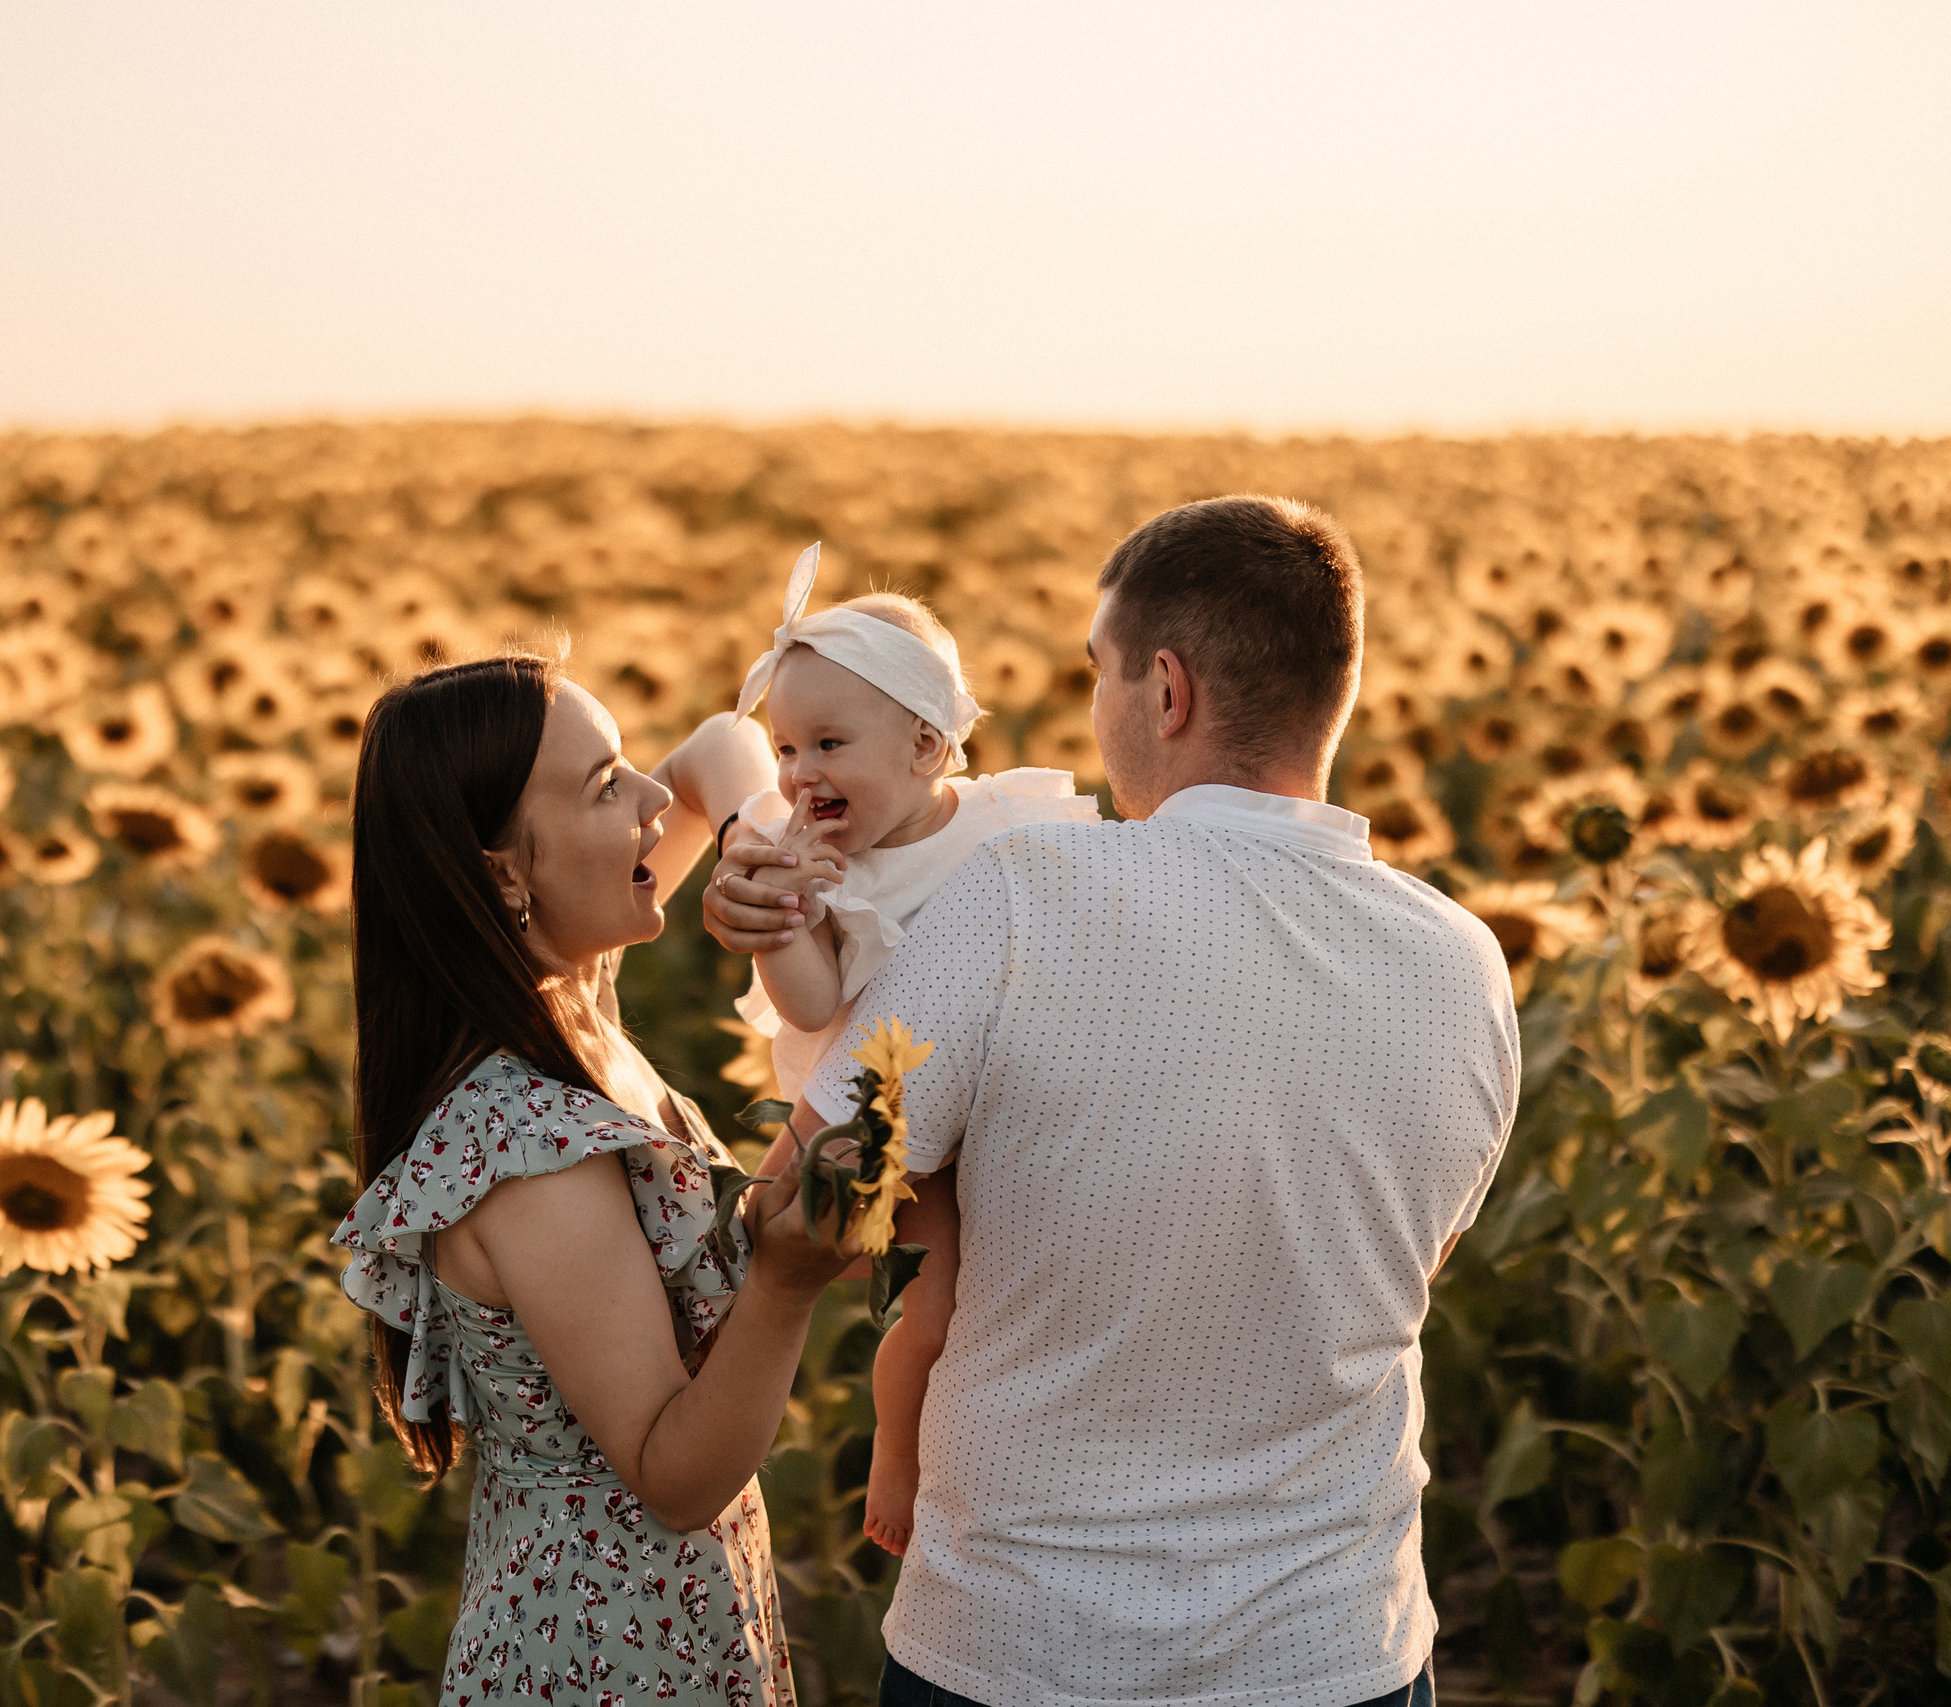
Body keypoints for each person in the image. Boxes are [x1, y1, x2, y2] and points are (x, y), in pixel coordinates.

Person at [706, 498, 1520, 1707]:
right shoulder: (1465, 963)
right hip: (1335, 1647)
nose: (1094, 711)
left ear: (1166, 690)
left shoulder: (1017, 897)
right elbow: (1409, 1259)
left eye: (1099, 673)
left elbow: (815, 1212)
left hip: (1021, 1645)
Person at [332, 654, 856, 1707]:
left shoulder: (565, 1000)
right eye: (607, 785)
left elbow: (711, 753)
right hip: (604, 1650)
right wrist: (784, 1283)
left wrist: (757, 841)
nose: (653, 799)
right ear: (504, 878)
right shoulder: (531, 1150)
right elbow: (672, 1475)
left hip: (649, 1622)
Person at [715, 543, 1094, 1557]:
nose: (799, 773)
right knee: (930, 1307)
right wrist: (786, 916)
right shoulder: (822, 866)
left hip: (1011, 1100)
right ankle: (895, 1452)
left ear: (927, 744)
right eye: (785, 748)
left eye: (829, 743)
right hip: (891, 1117)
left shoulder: (1009, 825)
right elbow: (810, 1008)